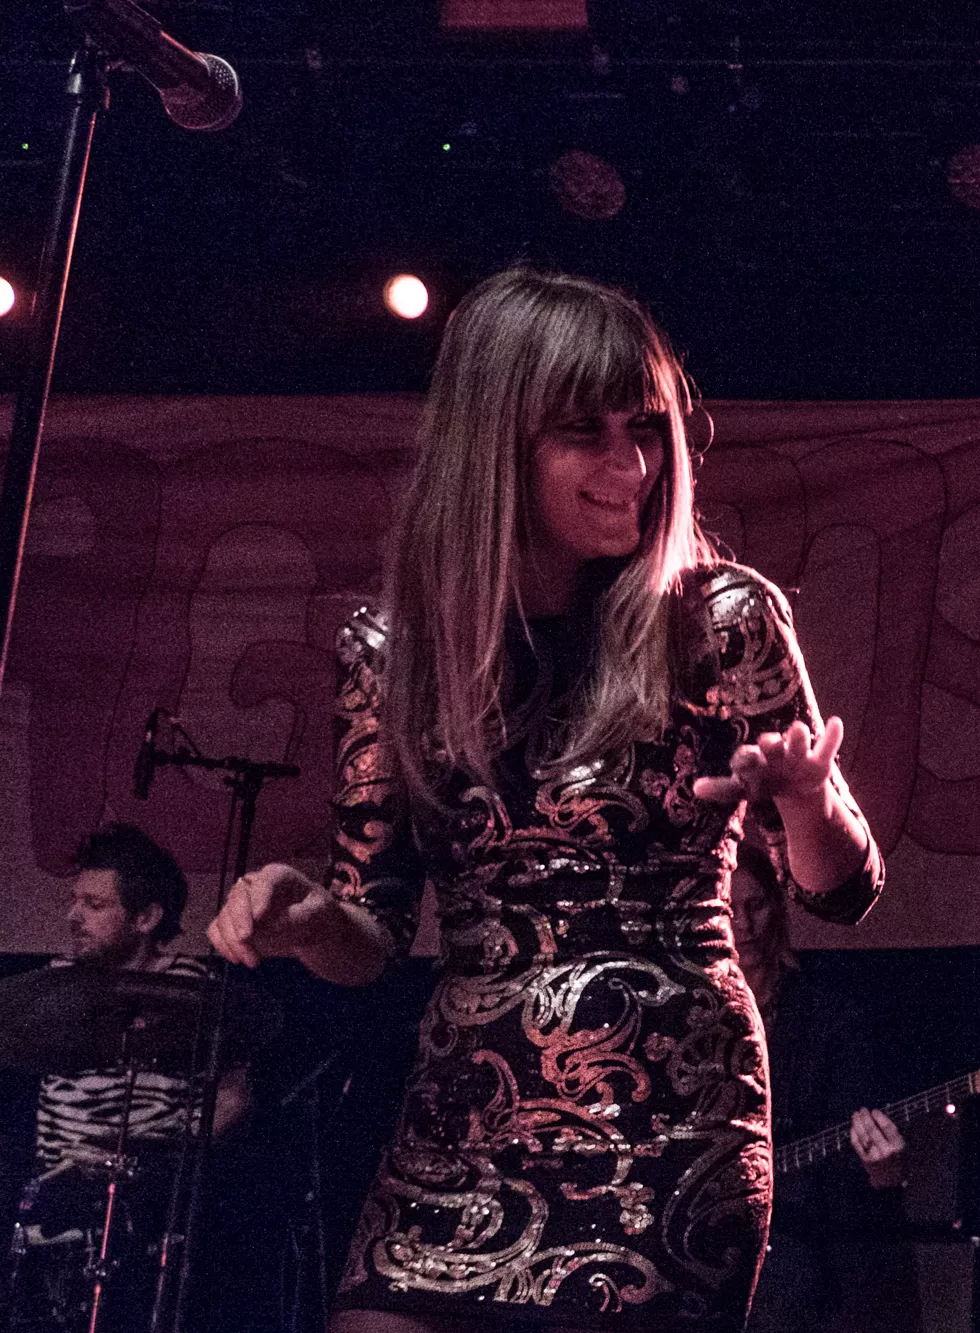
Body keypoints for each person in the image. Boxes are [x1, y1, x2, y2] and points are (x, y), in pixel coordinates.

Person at [206, 267, 884, 1333]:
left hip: (666, 1125)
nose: (633, 466)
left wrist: (805, 803)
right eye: (586, 433)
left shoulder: (722, 620)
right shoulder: (391, 651)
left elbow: (845, 890)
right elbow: (373, 933)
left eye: (646, 429)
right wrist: (307, 918)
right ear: (494, 447)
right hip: (459, 1124)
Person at [13, 824, 249, 1332]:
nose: (73, 916)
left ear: (146, 918)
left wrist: (161, 1156)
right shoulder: (53, 986)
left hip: (147, 1207)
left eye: (94, 905)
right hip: (54, 1201)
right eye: (75, 901)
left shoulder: (192, 989)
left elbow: (232, 1096)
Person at [729, 845, 917, 1333]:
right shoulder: (691, 1019)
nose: (744, 925)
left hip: (805, 1242)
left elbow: (854, 1159)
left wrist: (883, 1173)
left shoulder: (829, 1019)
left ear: (778, 907)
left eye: (756, 905)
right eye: (729, 909)